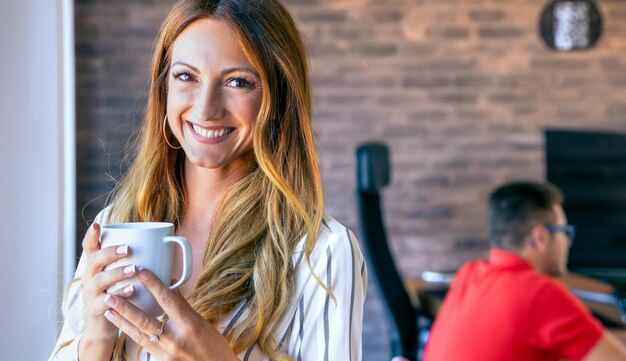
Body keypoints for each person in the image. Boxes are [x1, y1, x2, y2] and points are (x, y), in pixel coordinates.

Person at [49, 0, 367, 360]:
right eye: (186, 76)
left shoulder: (321, 253)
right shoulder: (115, 225)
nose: (205, 108)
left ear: (278, 98)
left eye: (237, 82)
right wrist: (96, 339)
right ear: (163, 88)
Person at [423, 181, 626, 361]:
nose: (567, 242)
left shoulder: (468, 275)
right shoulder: (541, 293)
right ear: (540, 237)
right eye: (564, 232)